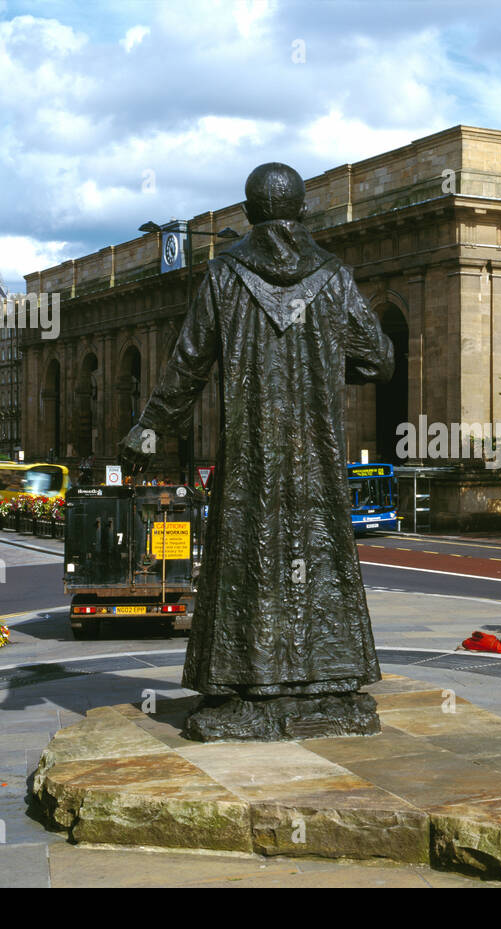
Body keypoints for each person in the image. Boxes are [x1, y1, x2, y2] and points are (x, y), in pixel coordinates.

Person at [120, 162, 394, 742]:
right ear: (301, 212)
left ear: (248, 213)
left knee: (249, 561)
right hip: (316, 457)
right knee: (321, 559)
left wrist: (148, 431)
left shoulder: (224, 275)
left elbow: (187, 367)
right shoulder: (334, 276)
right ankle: (330, 686)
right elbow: (378, 360)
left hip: (250, 458)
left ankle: (245, 691)